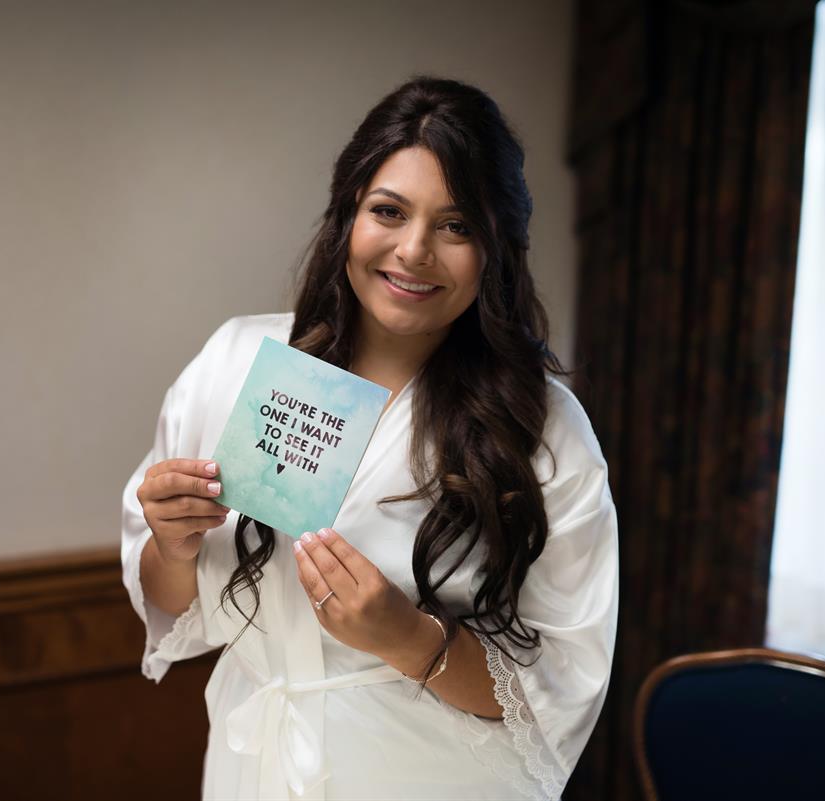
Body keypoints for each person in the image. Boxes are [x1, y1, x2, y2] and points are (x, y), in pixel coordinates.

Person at [120, 75, 619, 801]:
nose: (414, 250)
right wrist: (173, 544)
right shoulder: (236, 364)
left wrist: (407, 637)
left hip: (431, 775)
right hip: (255, 760)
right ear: (348, 212)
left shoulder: (544, 427)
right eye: (389, 211)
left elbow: (560, 686)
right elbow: (173, 606)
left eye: (456, 226)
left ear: (497, 248)